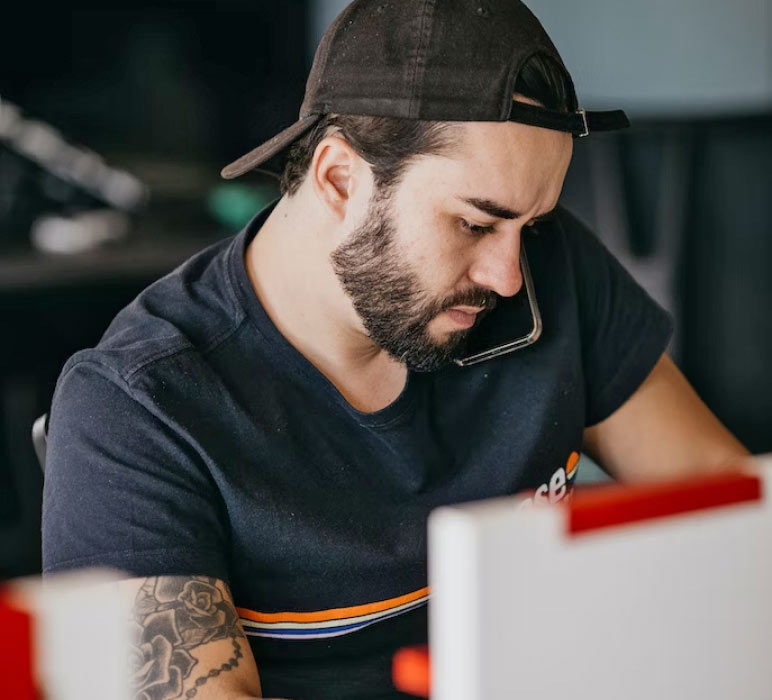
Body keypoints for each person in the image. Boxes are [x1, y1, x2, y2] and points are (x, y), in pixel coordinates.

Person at [41, 1, 749, 698]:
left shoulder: (549, 268)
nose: (508, 277)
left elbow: (734, 524)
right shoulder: (140, 408)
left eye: (530, 226)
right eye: (475, 224)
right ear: (340, 178)